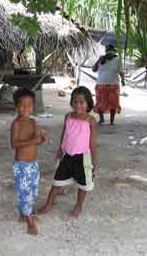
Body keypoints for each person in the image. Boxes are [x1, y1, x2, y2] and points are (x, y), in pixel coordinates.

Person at [38, 86, 97, 218]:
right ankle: (49, 204)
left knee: (83, 185)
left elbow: (92, 142)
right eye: (75, 101)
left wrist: (94, 160)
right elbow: (65, 134)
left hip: (82, 158)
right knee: (57, 181)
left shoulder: (90, 120)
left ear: (88, 103)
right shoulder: (68, 116)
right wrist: (60, 149)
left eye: (82, 102)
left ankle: (78, 206)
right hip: (66, 155)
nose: (78, 105)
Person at [10, 87, 46, 235]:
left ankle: (24, 214)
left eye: (29, 105)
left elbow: (35, 142)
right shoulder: (16, 123)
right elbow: (15, 144)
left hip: (33, 164)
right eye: (22, 105)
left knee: (32, 190)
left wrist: (40, 140)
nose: (26, 108)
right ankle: (29, 221)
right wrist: (33, 140)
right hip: (22, 165)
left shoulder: (33, 122)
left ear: (34, 106)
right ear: (16, 107)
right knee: (24, 193)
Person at [92, 44, 124, 125]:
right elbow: (93, 69)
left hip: (113, 84)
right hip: (102, 84)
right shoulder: (101, 59)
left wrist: (123, 80)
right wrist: (98, 60)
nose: (109, 53)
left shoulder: (117, 59)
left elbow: (121, 71)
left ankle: (112, 121)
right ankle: (102, 119)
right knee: (100, 102)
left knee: (113, 103)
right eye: (108, 51)